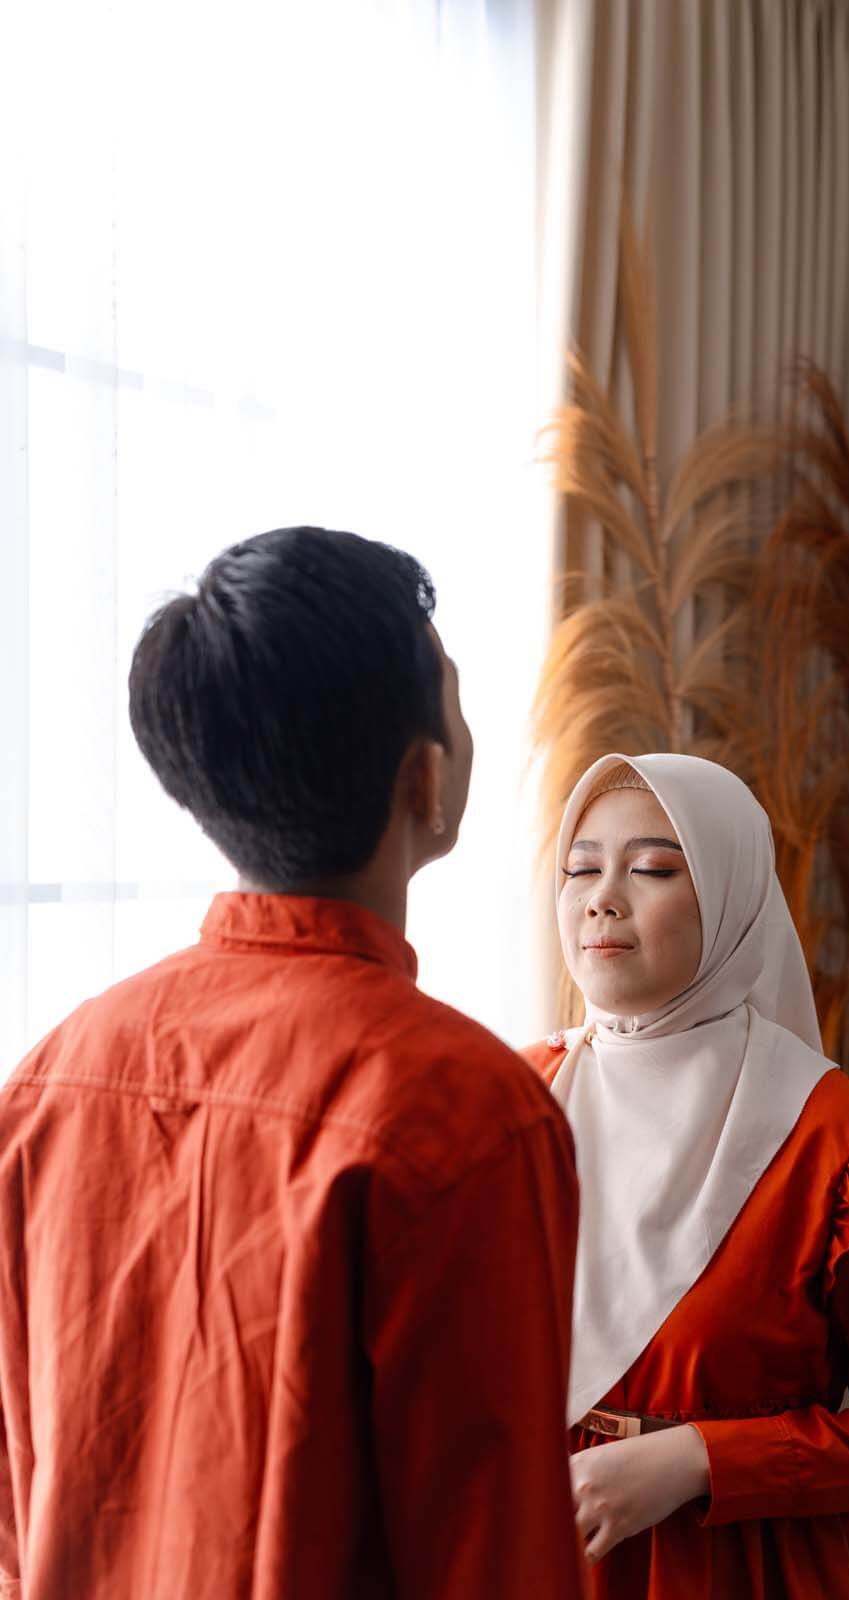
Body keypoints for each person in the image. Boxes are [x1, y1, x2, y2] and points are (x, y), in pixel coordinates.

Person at [0, 526, 586, 1600]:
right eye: (455, 698)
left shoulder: (50, 1080)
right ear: (424, 777)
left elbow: (17, 1504)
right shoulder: (467, 1110)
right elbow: (498, 1558)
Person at [524, 752, 849, 1600]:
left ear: (731, 895)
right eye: (580, 869)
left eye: (652, 869)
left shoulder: (839, 1142)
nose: (601, 897)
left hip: (743, 1571)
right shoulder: (512, 1101)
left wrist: (699, 1460)